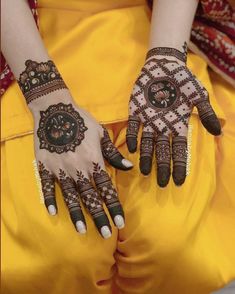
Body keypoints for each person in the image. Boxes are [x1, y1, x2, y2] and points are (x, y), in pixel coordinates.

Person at [1, 0, 235, 293]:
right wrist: (47, 98)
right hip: (25, 43)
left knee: (172, 247)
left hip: (161, 26)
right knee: (62, 255)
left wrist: (167, 58)